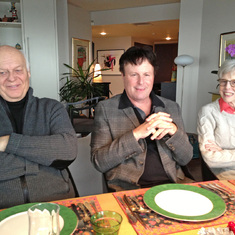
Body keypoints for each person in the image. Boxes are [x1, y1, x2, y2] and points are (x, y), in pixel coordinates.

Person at [91, 46, 193, 192]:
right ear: (123, 75)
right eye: (134, 75)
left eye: (147, 74)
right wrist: (136, 134)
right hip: (129, 190)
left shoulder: (171, 107)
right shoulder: (106, 109)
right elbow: (99, 162)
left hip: (173, 185)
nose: (141, 82)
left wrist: (174, 132)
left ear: (153, 76)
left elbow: (186, 158)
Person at [0, 45, 78, 209]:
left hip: (56, 204)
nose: (11, 78)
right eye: (2, 72)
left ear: (28, 73)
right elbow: (57, 153)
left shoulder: (51, 108)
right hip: (5, 210)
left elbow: (68, 150)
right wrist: (43, 155)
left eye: (18, 70)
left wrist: (8, 143)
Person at [197, 59, 235, 180]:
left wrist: (222, 151)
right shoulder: (208, 112)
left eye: (234, 82)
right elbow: (210, 158)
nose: (227, 87)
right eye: (223, 82)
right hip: (225, 177)